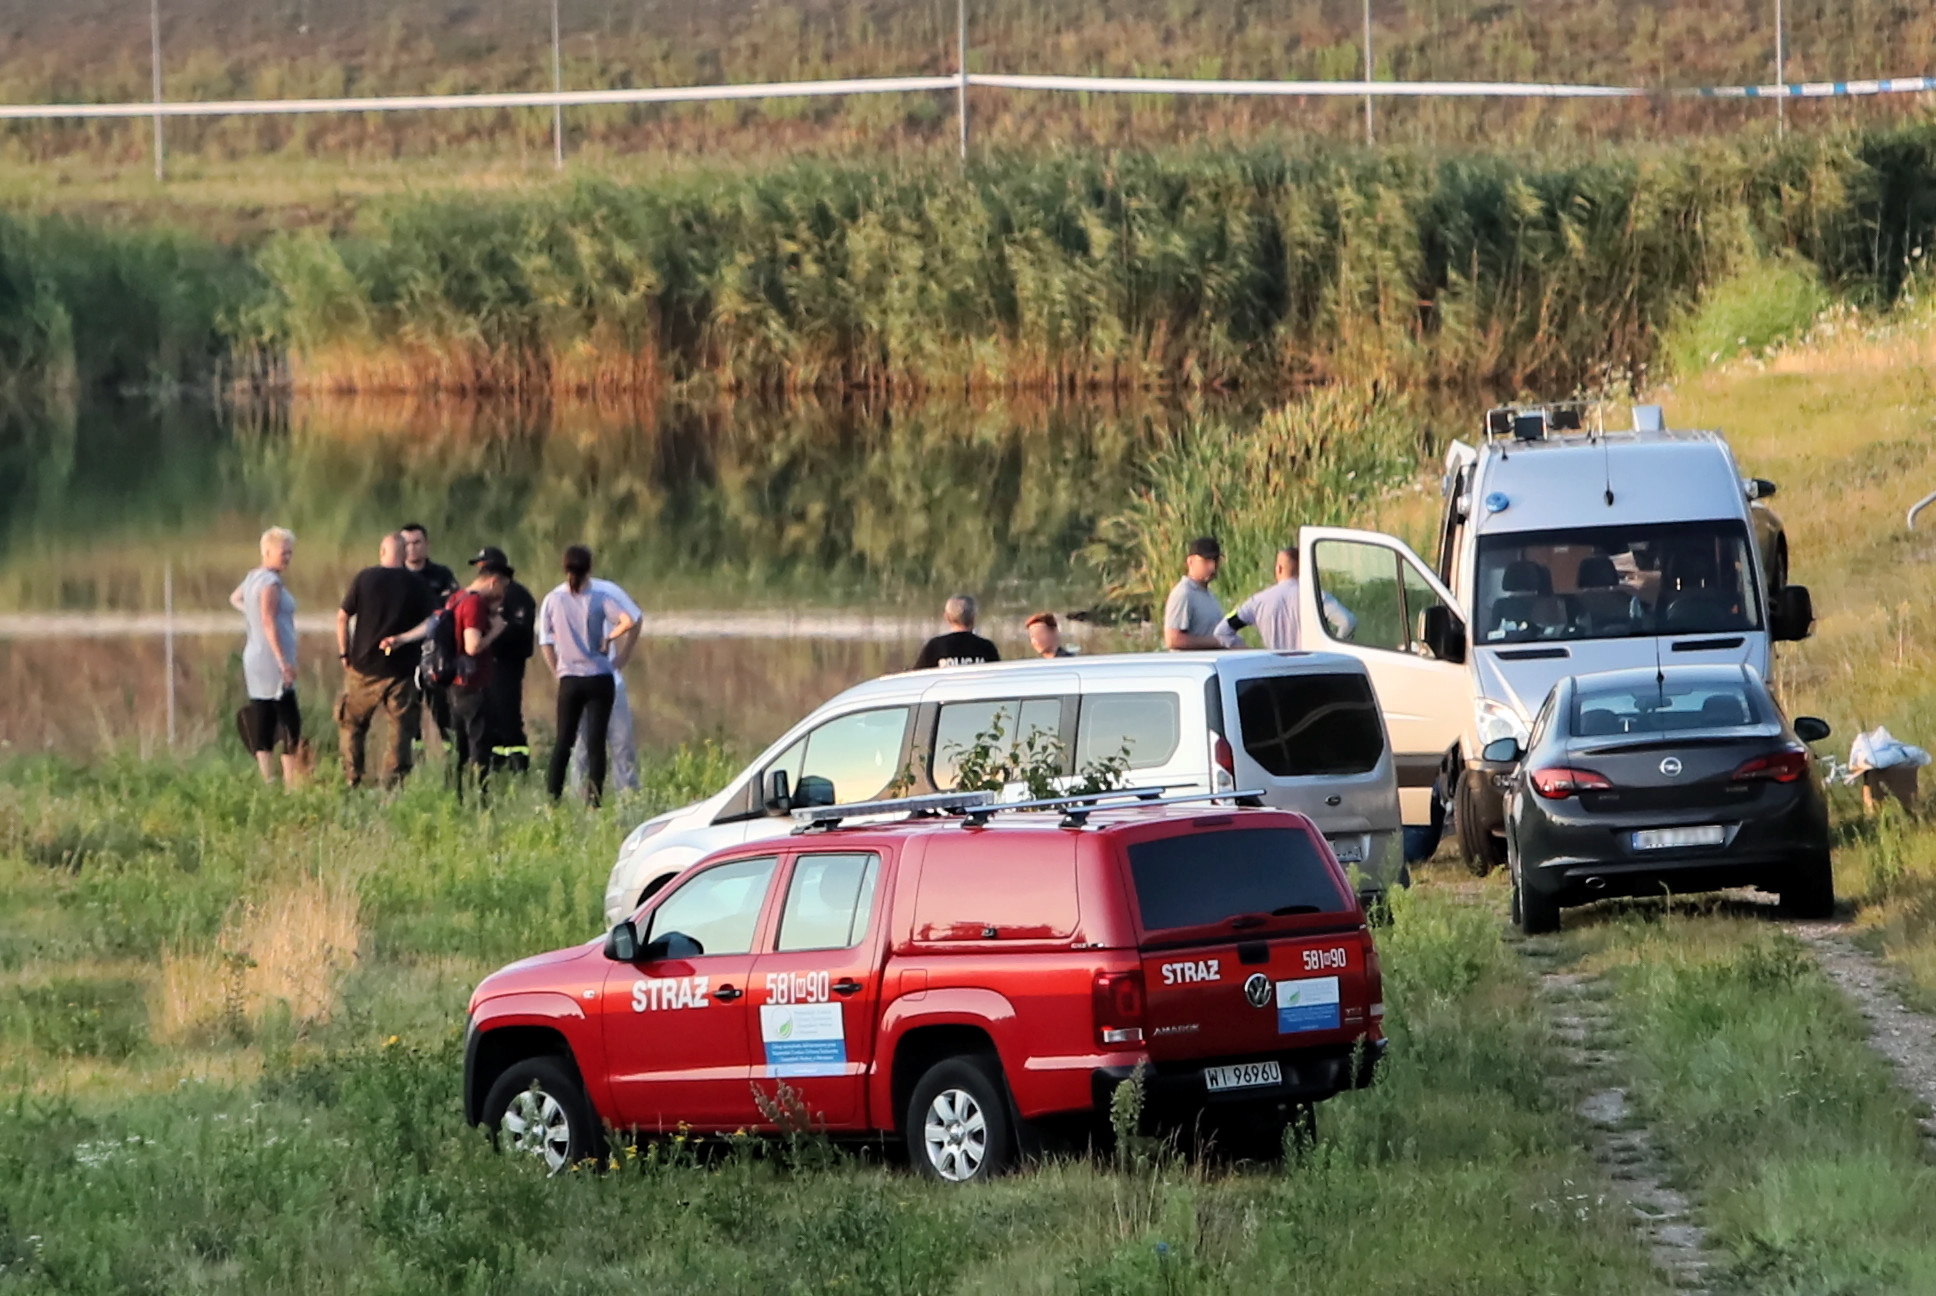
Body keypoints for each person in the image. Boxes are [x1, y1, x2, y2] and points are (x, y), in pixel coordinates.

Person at [383, 558, 511, 802]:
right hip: (473, 684)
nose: (502, 595)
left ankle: (456, 795)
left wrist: (401, 638)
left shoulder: (457, 598)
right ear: (493, 581)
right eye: (503, 588)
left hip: (454, 685)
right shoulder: (474, 604)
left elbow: (434, 623)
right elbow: (472, 646)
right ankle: (480, 799)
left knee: (458, 745)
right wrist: (495, 630)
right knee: (478, 744)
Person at [539, 546, 637, 806]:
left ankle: (553, 801)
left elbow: (545, 640)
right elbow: (628, 621)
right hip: (599, 677)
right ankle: (594, 803)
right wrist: (610, 638)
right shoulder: (600, 596)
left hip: (569, 678)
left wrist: (557, 670)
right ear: (590, 567)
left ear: (564, 568)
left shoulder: (553, 599)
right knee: (596, 745)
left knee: (563, 743)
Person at [334, 532, 434, 789]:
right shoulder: (417, 584)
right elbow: (432, 622)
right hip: (400, 670)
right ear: (405, 555)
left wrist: (344, 653)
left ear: (382, 552)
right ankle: (392, 784)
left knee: (352, 725)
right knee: (400, 729)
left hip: (363, 667)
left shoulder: (364, 578)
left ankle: (351, 778)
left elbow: (342, 617)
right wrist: (403, 638)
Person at [229, 526, 304, 786]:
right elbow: (268, 620)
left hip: (254, 654)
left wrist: (250, 615)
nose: (287, 558)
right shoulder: (270, 583)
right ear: (268, 551)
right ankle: (289, 782)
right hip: (271, 658)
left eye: (290, 553)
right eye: (283, 553)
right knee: (289, 718)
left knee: (264, 714)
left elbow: (234, 598)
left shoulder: (253, 578)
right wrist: (283, 662)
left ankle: (267, 779)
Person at [569, 572, 645, 795]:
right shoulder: (559, 596)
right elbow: (547, 638)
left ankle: (628, 801)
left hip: (611, 682)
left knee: (622, 745)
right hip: (577, 683)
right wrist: (560, 672)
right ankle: (580, 804)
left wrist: (623, 656)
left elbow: (635, 619)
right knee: (582, 748)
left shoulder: (607, 591)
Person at [470, 546, 537, 774]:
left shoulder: (518, 595)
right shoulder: (479, 598)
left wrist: (492, 632)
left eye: (484, 567)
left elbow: (520, 630)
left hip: (508, 663)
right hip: (487, 665)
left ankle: (519, 767)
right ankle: (495, 767)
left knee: (508, 716)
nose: (480, 573)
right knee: (489, 718)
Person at [1215, 546, 1357, 649]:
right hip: (1310, 670)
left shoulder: (1258, 601)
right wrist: (1330, 653)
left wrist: (1251, 654)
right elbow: (1348, 621)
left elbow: (1222, 631)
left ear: (1279, 569)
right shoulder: (1317, 597)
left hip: (1274, 672)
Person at [400, 522, 460, 743]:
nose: (412, 548)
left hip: (437, 653)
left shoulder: (442, 575)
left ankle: (451, 761)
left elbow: (451, 609)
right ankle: (413, 763)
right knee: (408, 715)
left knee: (444, 713)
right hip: (406, 654)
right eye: (407, 544)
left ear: (427, 544)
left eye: (417, 543)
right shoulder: (396, 576)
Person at [1162, 536, 1227, 650]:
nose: (1212, 567)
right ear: (1190, 561)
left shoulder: (1207, 594)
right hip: (1191, 666)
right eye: (1206, 561)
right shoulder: (1183, 594)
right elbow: (1173, 640)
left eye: (1215, 560)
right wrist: (1217, 642)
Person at [911, 595, 1001, 669]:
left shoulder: (935, 647)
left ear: (947, 617)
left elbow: (917, 678)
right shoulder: (987, 647)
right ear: (974, 618)